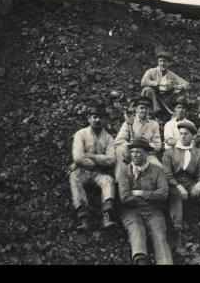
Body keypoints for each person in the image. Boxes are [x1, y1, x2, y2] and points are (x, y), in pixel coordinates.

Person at [117, 137, 173, 265]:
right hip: (131, 212)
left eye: (138, 152)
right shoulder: (125, 171)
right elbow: (124, 197)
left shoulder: (157, 170)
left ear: (146, 153)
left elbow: (163, 194)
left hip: (154, 212)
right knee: (136, 229)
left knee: (159, 234)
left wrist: (142, 193)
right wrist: (150, 198)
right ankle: (141, 261)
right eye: (132, 152)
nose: (134, 155)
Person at [161, 121, 200, 250]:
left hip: (191, 182)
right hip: (174, 183)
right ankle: (177, 231)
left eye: (186, 134)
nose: (183, 136)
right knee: (176, 194)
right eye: (181, 134)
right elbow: (166, 173)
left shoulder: (198, 152)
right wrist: (178, 186)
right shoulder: (170, 152)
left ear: (192, 136)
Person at [69, 103, 117, 233]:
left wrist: (90, 156)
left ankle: (106, 216)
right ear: (89, 118)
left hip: (100, 173)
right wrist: (99, 160)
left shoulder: (109, 138)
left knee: (108, 180)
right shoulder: (81, 134)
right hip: (83, 171)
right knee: (74, 177)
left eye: (101, 117)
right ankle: (84, 218)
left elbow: (112, 159)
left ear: (105, 120)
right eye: (94, 116)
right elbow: (78, 157)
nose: (97, 120)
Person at [114, 96, 162, 177]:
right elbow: (119, 140)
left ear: (149, 110)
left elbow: (157, 145)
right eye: (141, 108)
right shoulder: (129, 122)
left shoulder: (154, 124)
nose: (144, 111)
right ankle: (120, 181)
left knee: (160, 169)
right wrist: (130, 148)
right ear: (136, 109)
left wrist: (145, 146)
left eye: (146, 108)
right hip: (131, 153)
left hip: (147, 155)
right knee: (120, 149)